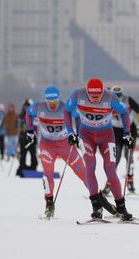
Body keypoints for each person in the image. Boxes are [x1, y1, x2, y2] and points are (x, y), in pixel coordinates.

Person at [26, 86, 116, 218]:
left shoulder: (65, 107)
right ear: (45, 100)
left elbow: (78, 118)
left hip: (65, 145)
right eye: (49, 102)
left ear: (59, 99)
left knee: (83, 174)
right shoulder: (38, 108)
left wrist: (78, 134)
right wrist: (29, 131)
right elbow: (28, 113)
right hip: (47, 146)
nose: (52, 104)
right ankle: (49, 203)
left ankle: (102, 201)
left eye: (54, 101)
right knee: (48, 174)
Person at [64, 77, 135, 221]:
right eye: (92, 96)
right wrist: (71, 132)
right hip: (86, 136)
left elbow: (124, 113)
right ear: (88, 92)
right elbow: (66, 111)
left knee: (110, 170)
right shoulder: (78, 94)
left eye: (98, 96)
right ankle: (96, 206)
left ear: (103, 92)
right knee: (90, 167)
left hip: (106, 136)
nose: (95, 99)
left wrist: (127, 134)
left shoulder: (110, 97)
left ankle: (121, 208)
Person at [103, 85, 139, 194]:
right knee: (115, 157)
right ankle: (109, 183)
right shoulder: (106, 100)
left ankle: (130, 181)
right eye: (115, 95)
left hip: (130, 129)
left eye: (120, 95)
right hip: (115, 131)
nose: (118, 97)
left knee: (128, 155)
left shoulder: (127, 99)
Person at [17, 99, 38, 175]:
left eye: (28, 106)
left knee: (33, 153)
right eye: (25, 106)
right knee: (23, 153)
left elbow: (36, 126)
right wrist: (19, 137)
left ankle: (33, 166)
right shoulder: (21, 115)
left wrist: (36, 136)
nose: (26, 108)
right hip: (23, 137)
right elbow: (19, 127)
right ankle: (22, 167)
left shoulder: (33, 115)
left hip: (32, 137)